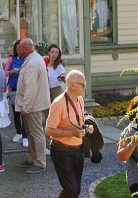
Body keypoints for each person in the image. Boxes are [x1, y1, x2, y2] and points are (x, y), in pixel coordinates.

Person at [45, 70, 93, 198]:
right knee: (71, 189)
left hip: (78, 150)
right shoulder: (58, 103)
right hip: (61, 150)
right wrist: (72, 132)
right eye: (82, 84)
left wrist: (87, 128)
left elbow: (78, 122)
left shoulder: (80, 100)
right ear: (72, 85)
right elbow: (49, 131)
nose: (85, 87)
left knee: (75, 191)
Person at [14, 37, 51, 173]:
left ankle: (40, 163)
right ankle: (31, 159)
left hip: (32, 106)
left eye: (20, 48)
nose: (18, 50)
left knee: (36, 133)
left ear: (25, 49)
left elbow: (31, 88)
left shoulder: (32, 63)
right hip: (33, 105)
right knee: (31, 133)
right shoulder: (34, 60)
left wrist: (26, 107)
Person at [4, 40, 26, 146]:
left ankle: (26, 136)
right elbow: (5, 72)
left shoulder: (27, 59)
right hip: (13, 88)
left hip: (24, 89)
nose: (19, 50)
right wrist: (12, 72)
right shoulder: (11, 59)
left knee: (24, 113)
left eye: (20, 48)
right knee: (16, 112)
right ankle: (19, 132)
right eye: (17, 48)